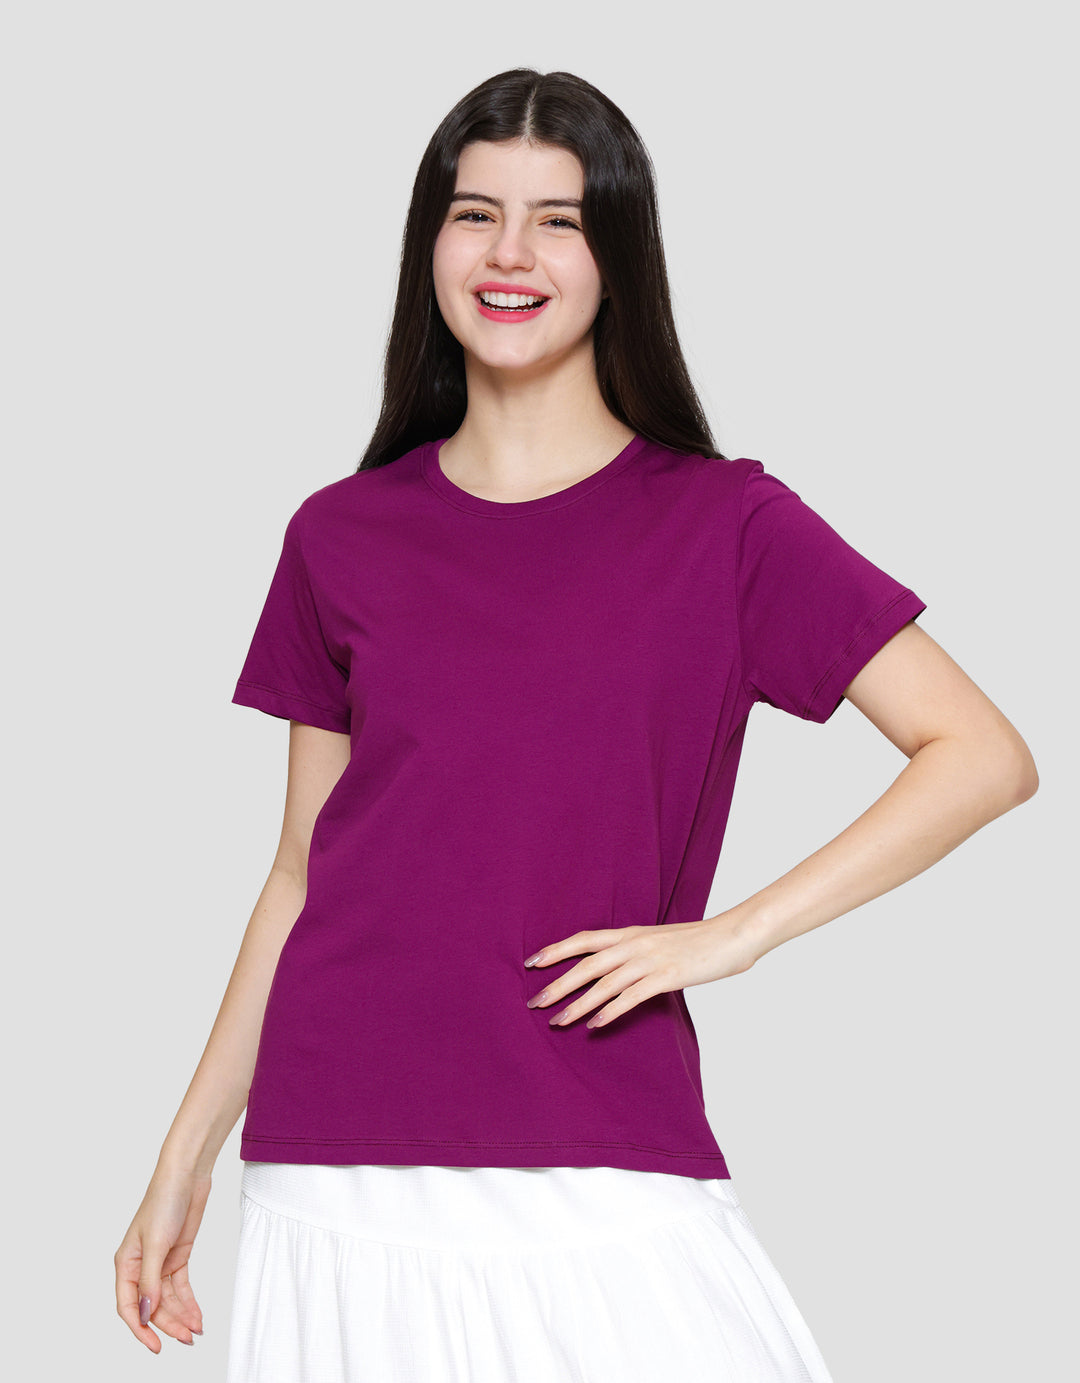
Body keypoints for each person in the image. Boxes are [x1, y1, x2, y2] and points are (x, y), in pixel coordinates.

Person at [114, 67, 1038, 1382]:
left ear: (618, 258)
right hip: (333, 1161)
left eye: (559, 220)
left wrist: (731, 936)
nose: (511, 253)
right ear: (429, 246)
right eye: (475, 213)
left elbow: (982, 755)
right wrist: (183, 1157)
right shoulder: (339, 535)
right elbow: (303, 874)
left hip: (603, 1144)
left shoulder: (725, 525)